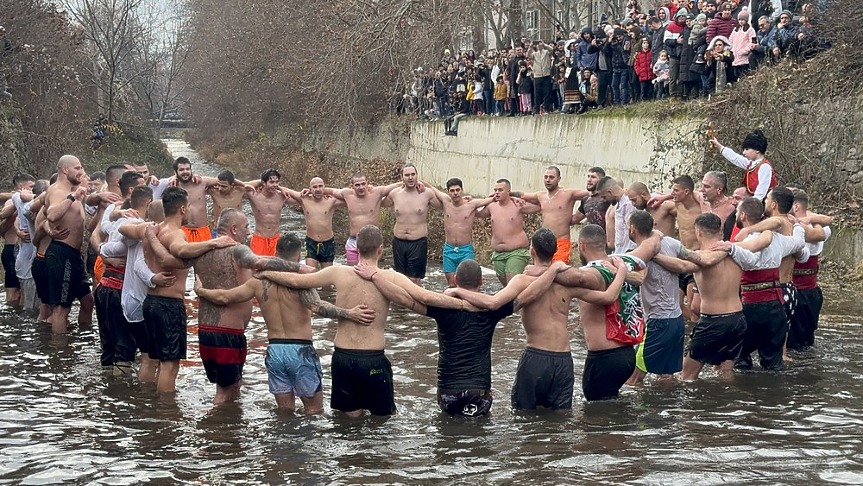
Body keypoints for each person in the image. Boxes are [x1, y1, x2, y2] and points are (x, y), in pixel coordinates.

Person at [450, 228, 630, 409]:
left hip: (536, 357)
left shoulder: (522, 280)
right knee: (560, 422)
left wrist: (458, 291)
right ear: (555, 252)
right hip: (564, 360)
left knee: (524, 418)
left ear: (532, 251)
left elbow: (492, 303)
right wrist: (621, 271)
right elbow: (608, 297)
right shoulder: (567, 284)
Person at [354, 258, 560, 416]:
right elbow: (530, 294)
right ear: (481, 281)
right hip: (479, 391)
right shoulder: (492, 309)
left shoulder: (442, 307)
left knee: (449, 437)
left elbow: (403, 298)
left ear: (455, 280)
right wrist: (553, 270)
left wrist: (375, 276)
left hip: (447, 391)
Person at [194, 232, 375, 411]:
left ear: (275, 253)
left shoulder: (258, 281)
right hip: (300, 350)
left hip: (275, 351)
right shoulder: (300, 281)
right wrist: (349, 313)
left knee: (284, 411)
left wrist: (201, 291)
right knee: (314, 411)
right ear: (299, 255)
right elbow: (318, 307)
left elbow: (224, 297)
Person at [256, 225, 401, 417]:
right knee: (376, 419)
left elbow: (227, 296)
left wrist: (265, 273)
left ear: (356, 249)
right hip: (318, 351)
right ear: (380, 249)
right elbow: (421, 299)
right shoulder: (391, 277)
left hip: (296, 352)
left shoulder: (336, 272)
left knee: (290, 413)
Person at [137, 186, 238, 394]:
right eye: (190, 206)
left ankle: (145, 403)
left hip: (151, 302)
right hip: (168, 305)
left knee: (150, 358)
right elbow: (181, 250)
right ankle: (166, 415)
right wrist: (213, 242)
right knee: (170, 364)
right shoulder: (175, 233)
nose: (192, 210)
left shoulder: (153, 230)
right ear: (182, 209)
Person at [652, 213, 749, 379]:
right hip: (738, 319)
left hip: (713, 322)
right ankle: (730, 403)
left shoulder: (701, 256)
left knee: (687, 375)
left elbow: (681, 266)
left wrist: (653, 256)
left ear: (699, 232)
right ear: (720, 231)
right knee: (724, 372)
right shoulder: (735, 252)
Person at [722, 196, 806, 370]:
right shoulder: (777, 239)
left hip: (750, 307)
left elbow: (751, 261)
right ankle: (774, 395)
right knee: (774, 363)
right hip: (776, 306)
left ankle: (740, 395)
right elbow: (799, 242)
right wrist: (797, 225)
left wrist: (731, 248)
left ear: (743, 216)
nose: (736, 214)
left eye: (737, 211)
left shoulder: (743, 242)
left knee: (741, 360)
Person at [625, 211, 685, 385]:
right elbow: (693, 259)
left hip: (658, 324)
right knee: (666, 376)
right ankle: (668, 411)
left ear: (632, 229)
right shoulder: (673, 243)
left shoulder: (639, 255)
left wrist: (616, 271)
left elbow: (639, 278)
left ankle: (637, 412)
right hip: (677, 321)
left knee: (633, 379)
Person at [43, 155, 96, 334]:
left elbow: (43, 215)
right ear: (65, 170)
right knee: (61, 309)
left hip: (74, 255)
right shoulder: (59, 190)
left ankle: (83, 339)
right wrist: (72, 198)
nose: (81, 172)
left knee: (88, 301)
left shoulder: (72, 191)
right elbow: (50, 214)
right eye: (78, 168)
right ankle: (59, 353)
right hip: (61, 254)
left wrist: (48, 230)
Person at [426, 178, 493, 287]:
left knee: (468, 283)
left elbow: (492, 199)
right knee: (451, 284)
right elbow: (431, 188)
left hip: (465, 249)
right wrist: (418, 184)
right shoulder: (446, 202)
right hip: (449, 249)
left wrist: (513, 196)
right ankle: (453, 304)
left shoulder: (471, 204)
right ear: (448, 192)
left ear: (462, 190)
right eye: (452, 191)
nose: (455, 193)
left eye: (458, 190)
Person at [516, 166, 589, 263]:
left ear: (559, 179)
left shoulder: (568, 194)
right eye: (545, 177)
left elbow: (590, 194)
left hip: (561, 242)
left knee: (558, 273)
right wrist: (508, 194)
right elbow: (523, 195)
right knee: (542, 271)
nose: (548, 180)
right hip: (543, 242)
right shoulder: (540, 195)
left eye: (551, 177)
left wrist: (579, 216)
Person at [325, 174, 402, 265]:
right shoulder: (347, 194)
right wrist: (309, 191)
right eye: (357, 185)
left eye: (363, 184)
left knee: (369, 271)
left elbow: (397, 185)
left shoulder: (376, 193)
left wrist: (418, 183)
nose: (361, 187)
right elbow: (330, 191)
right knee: (353, 272)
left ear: (367, 183)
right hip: (353, 240)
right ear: (352, 186)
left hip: (371, 240)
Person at [382, 163, 441, 284]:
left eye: (413, 174)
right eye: (407, 175)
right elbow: (377, 200)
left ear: (417, 176)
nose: (410, 177)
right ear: (401, 177)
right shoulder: (395, 194)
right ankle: (401, 303)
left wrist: (429, 185)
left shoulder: (426, 193)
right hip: (399, 242)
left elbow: (446, 204)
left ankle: (416, 302)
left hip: (417, 242)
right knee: (400, 279)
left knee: (414, 280)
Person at [787, 188, 831, 350]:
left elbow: (816, 235)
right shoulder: (822, 226)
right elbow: (824, 227)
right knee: (806, 341)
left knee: (793, 342)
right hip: (812, 291)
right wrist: (812, 217)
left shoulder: (794, 227)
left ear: (796, 206)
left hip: (796, 292)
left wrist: (804, 220)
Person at [476, 179, 541, 286]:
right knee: (507, 286)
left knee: (512, 283)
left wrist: (517, 196)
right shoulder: (491, 207)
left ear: (508, 191)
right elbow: (477, 213)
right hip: (498, 254)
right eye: (495, 190)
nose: (497, 192)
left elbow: (539, 205)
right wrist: (487, 199)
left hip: (516, 251)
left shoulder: (518, 204)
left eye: (500, 190)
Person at [172, 156, 246, 243]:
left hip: (203, 231)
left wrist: (244, 185)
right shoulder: (173, 185)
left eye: (187, 169)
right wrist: (173, 178)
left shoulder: (202, 182)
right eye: (181, 170)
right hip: (183, 230)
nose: (185, 172)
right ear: (175, 172)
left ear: (191, 170)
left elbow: (225, 180)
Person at [711, 130, 777, 201]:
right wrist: (719, 146)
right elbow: (735, 158)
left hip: (764, 203)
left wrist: (752, 205)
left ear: (757, 150)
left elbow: (761, 191)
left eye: (747, 149)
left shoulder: (765, 167)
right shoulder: (751, 163)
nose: (744, 152)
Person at [294, 177, 345, 269]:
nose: (318, 189)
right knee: (310, 273)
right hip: (311, 242)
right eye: (315, 187)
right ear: (310, 189)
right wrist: (277, 187)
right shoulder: (304, 200)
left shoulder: (331, 201)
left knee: (326, 275)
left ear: (324, 187)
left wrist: (329, 191)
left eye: (320, 186)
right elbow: (288, 192)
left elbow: (348, 195)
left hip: (328, 242)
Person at [245, 169, 297, 256]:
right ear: (263, 183)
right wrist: (259, 182)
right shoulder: (254, 195)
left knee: (276, 266)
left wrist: (282, 188)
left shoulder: (282, 196)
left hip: (276, 239)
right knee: (257, 267)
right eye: (271, 182)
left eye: (277, 182)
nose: (275, 185)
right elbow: (240, 186)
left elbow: (300, 198)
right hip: (259, 239)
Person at [594, 176, 636, 253]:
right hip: (619, 251)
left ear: (610, 192)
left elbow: (632, 230)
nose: (604, 200)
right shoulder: (618, 204)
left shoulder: (628, 204)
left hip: (629, 251)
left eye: (604, 196)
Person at [570, 167, 611, 235]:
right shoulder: (586, 200)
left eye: (593, 177)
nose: (589, 180)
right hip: (591, 240)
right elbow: (574, 219)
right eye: (588, 176)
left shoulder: (607, 198)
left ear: (601, 180)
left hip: (607, 241)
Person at [207, 170, 245, 237]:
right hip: (219, 231)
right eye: (219, 185)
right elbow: (202, 183)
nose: (220, 188)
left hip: (237, 231)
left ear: (232, 185)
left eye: (224, 186)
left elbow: (261, 182)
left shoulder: (240, 191)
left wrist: (242, 184)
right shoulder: (214, 191)